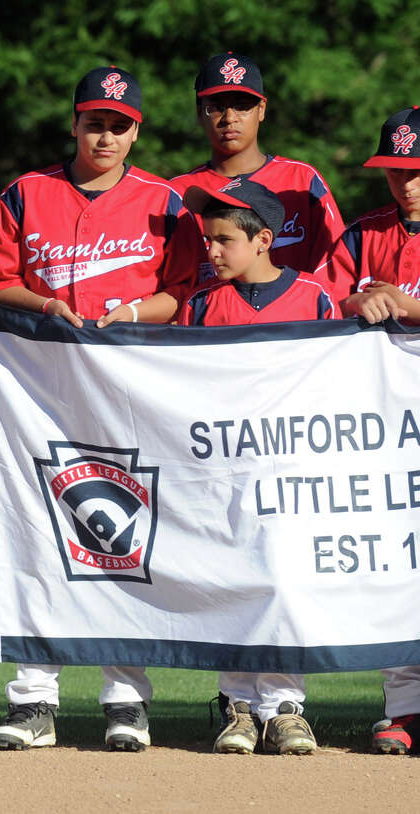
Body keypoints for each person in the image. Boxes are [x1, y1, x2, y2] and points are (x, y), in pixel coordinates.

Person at [0, 66, 199, 751]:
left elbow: (182, 291)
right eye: (95, 121)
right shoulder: (27, 192)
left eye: (119, 124)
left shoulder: (165, 200)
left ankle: (126, 699)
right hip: (39, 389)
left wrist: (130, 311)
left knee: (122, 535)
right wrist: (47, 305)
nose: (106, 134)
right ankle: (34, 699)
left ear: (137, 131)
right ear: (74, 123)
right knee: (36, 529)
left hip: (129, 386)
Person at [179, 179, 336, 755]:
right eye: (208, 239)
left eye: (223, 239)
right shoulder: (200, 303)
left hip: (291, 468)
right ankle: (239, 706)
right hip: (220, 471)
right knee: (231, 580)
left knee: (287, 580)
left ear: (264, 239)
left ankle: (286, 707)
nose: (211, 250)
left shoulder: (315, 297)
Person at [325, 106, 420, 754]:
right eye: (395, 171)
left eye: (416, 171)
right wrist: (357, 302)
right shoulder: (360, 237)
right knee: (397, 564)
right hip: (386, 424)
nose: (405, 184)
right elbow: (312, 301)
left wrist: (409, 306)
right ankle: (407, 707)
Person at [172, 52, 345, 297]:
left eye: (242, 106)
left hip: (296, 327)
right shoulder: (177, 192)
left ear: (261, 109)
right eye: (216, 108)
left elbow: (335, 264)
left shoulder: (301, 180)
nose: (229, 118)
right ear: (200, 113)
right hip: (208, 326)